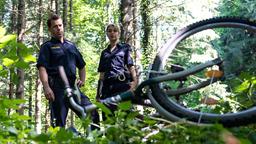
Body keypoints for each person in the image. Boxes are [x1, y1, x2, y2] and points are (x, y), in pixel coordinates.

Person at [36, 14, 99, 129]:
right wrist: (46, 87)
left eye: (60, 25)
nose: (58, 28)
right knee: (58, 125)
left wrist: (82, 79)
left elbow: (82, 66)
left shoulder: (71, 46)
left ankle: (96, 140)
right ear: (50, 29)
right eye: (55, 26)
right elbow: (42, 68)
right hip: (56, 88)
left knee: (92, 112)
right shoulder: (47, 47)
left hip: (73, 88)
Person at [96, 23, 138, 120]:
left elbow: (131, 66)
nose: (112, 33)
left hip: (122, 86)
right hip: (107, 89)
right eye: (109, 31)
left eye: (114, 31)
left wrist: (135, 82)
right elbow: (101, 75)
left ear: (118, 33)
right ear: (107, 33)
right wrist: (98, 94)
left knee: (126, 117)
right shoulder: (104, 53)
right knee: (108, 118)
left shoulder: (125, 48)